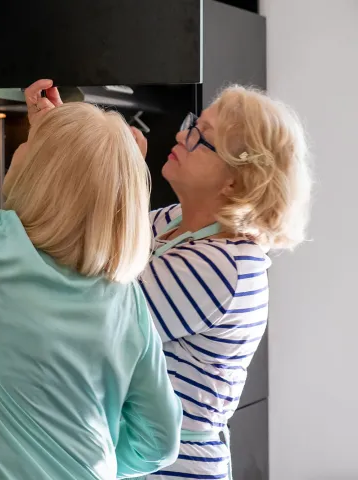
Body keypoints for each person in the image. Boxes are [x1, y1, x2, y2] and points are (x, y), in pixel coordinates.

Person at [0, 11, 183, 480]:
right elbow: (160, 441)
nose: (22, 143)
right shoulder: (124, 299)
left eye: (30, 145)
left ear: (44, 177)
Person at [130, 87, 312, 479]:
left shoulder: (222, 266)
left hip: (169, 467)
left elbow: (98, 312)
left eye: (200, 136)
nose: (182, 136)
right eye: (192, 125)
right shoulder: (176, 223)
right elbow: (97, 247)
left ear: (233, 181)